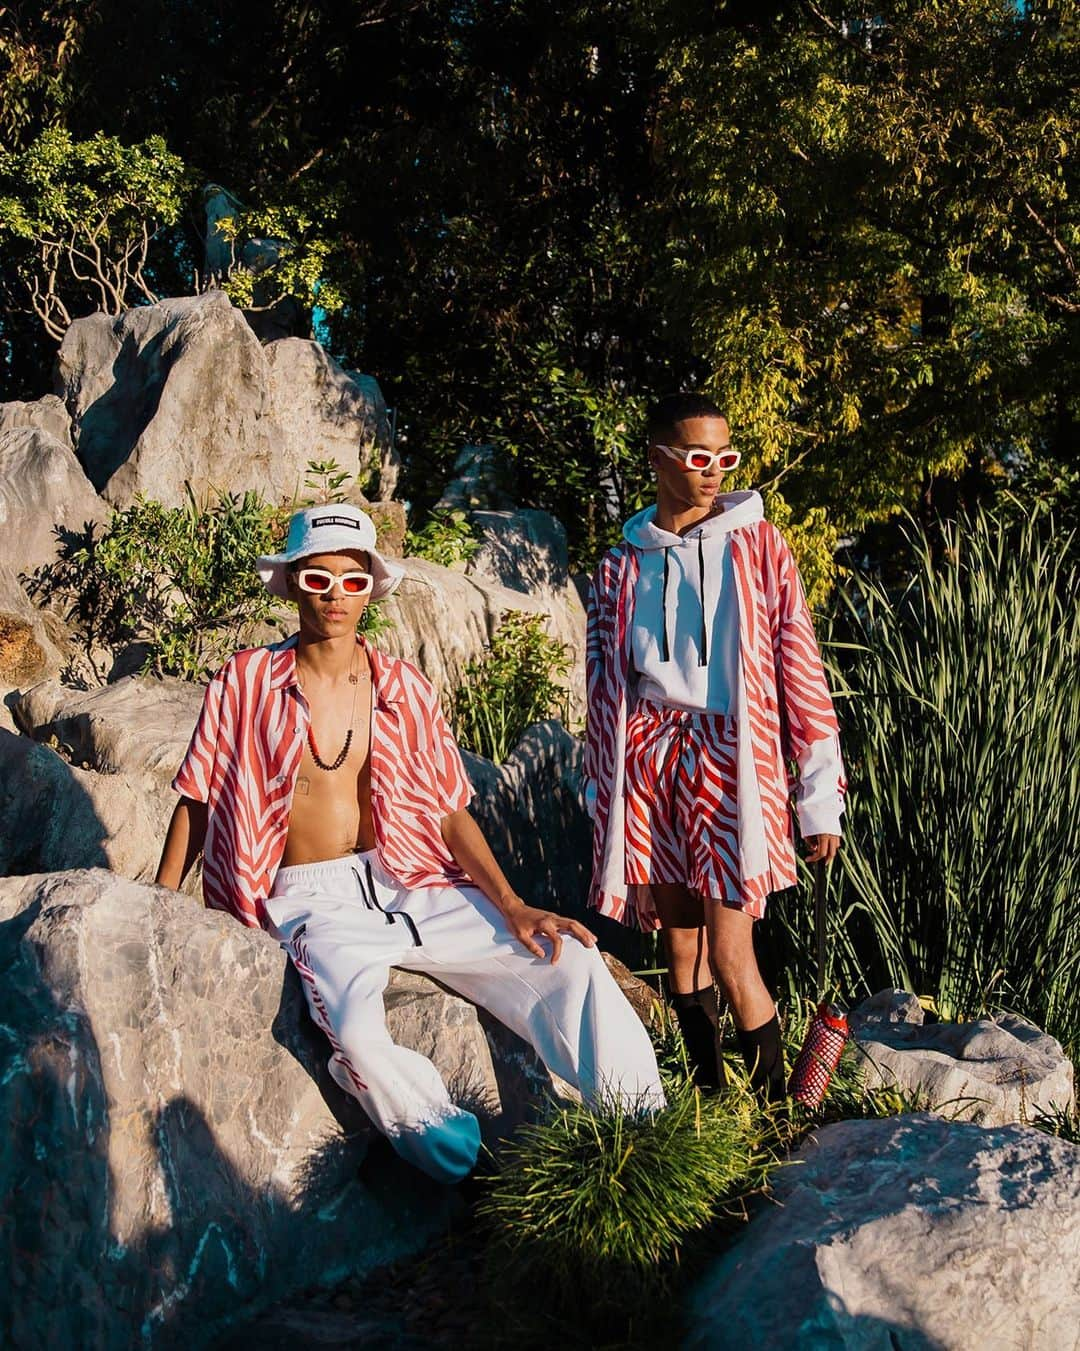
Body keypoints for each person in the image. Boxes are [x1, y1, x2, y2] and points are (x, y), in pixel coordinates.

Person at [156, 503, 664, 1183]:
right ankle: (455, 1151)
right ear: (294, 583)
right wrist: (162, 906)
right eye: (319, 580)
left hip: (412, 878)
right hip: (313, 901)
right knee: (358, 1035)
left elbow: (451, 813)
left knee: (567, 958)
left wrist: (512, 905)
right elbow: (198, 795)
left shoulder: (404, 688)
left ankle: (647, 1136)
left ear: (370, 586)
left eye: (352, 580)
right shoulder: (244, 681)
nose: (336, 596)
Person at [584, 394, 845, 1100]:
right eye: (698, 457)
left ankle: (771, 1117)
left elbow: (800, 665)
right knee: (680, 948)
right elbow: (603, 689)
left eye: (723, 457)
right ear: (657, 459)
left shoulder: (759, 547)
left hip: (735, 762)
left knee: (731, 950)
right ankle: (709, 1105)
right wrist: (600, 792)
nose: (713, 471)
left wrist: (818, 796)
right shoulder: (619, 567)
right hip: (651, 760)